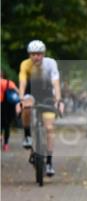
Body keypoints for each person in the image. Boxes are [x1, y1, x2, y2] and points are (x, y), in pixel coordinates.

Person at [18, 40, 65, 176]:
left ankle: (49, 162)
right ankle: (27, 135)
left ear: (43, 54)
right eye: (33, 54)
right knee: (26, 106)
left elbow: (55, 82)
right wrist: (21, 98)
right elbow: (22, 82)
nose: (36, 57)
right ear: (29, 55)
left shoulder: (50, 63)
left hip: (46, 94)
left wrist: (58, 100)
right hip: (31, 92)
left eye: (38, 54)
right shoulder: (25, 64)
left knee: (49, 128)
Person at [1, 70, 19, 151]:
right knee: (7, 125)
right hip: (8, 107)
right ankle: (6, 144)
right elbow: (18, 92)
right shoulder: (9, 82)